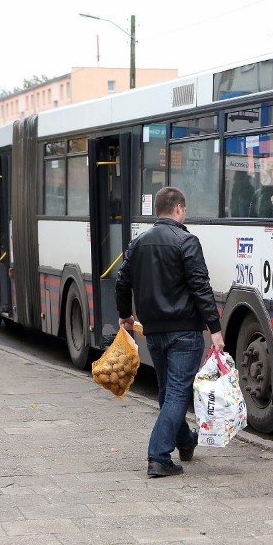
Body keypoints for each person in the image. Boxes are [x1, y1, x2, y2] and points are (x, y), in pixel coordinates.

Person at [115, 187, 225, 478]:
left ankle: (185, 442)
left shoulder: (137, 243)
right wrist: (215, 329)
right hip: (184, 332)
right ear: (178, 208)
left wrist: (125, 314)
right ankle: (158, 456)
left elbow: (122, 283)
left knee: (168, 392)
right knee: (176, 394)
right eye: (184, 210)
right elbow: (201, 287)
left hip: (153, 332)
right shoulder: (187, 241)